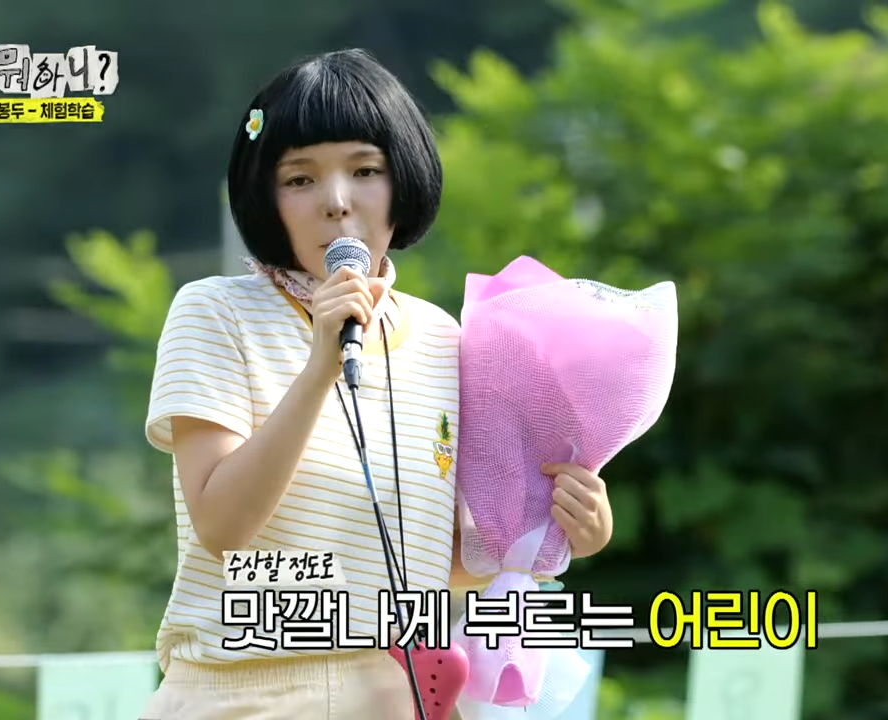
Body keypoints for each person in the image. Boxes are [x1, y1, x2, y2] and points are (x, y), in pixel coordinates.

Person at [138, 48, 615, 720]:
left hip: (402, 694)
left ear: (404, 181)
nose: (336, 202)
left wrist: (563, 532)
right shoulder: (215, 312)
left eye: (365, 170)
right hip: (244, 694)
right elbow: (222, 525)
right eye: (299, 179)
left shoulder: (444, 338)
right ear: (265, 197)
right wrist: (319, 370)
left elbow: (436, 556)